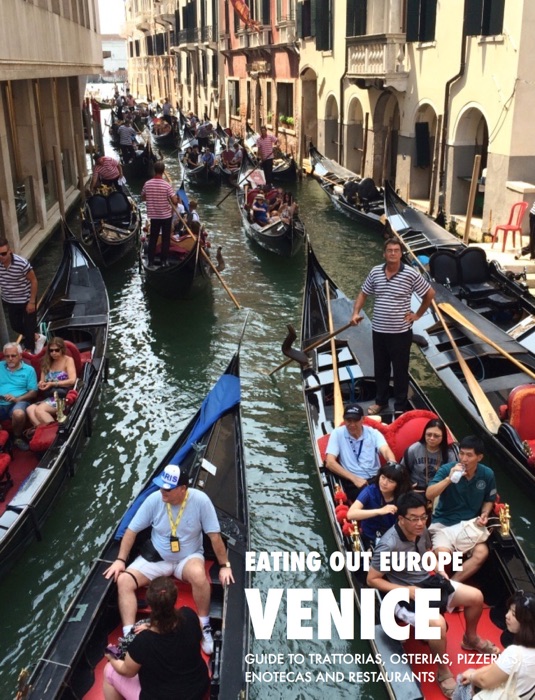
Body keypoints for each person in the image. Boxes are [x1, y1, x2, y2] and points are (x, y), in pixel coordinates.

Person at [367, 492, 499, 698]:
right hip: (402, 594)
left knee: (475, 597)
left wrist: (438, 569)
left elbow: (427, 551)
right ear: (401, 519)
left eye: (423, 517)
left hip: (427, 582)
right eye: (414, 518)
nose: (420, 523)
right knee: (436, 624)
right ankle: (442, 670)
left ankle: (470, 638)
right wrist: (408, 591)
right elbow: (372, 579)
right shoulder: (388, 545)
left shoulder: (421, 531)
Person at [104, 465, 234, 656]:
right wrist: (120, 560)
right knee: (123, 580)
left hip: (187, 558)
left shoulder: (201, 501)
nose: (162, 492)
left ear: (183, 489)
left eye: (168, 489)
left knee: (199, 576)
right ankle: (129, 636)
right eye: (161, 487)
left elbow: (214, 537)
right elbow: (132, 531)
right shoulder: (155, 499)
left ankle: (204, 626)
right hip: (158, 557)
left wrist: (224, 566)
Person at [351, 237, 435, 415]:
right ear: (384, 253)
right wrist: (356, 313)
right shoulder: (375, 272)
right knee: (380, 369)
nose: (393, 253)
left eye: (396, 250)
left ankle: (400, 405)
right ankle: (380, 402)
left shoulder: (410, 273)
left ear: (400, 253)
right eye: (390, 250)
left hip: (400, 332)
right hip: (379, 331)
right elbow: (363, 293)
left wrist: (417, 315)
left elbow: (429, 293)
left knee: (400, 370)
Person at [103, 576, 210, 700]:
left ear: (149, 603)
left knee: (109, 670)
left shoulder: (142, 641)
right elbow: (196, 632)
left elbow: (127, 671)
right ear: (174, 598)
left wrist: (111, 656)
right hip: (198, 689)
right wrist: (152, 626)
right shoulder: (190, 616)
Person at [425, 435, 497, 583]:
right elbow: (429, 493)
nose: (464, 459)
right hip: (443, 523)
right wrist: (449, 479)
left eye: (469, 455)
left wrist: (484, 514)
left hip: (469, 525)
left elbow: (489, 500)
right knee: (444, 556)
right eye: (462, 453)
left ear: (479, 457)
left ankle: (452, 585)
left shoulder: (487, 474)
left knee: (482, 552)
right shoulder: (447, 469)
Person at [459, 590, 535, 698]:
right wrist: (476, 673)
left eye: (513, 614)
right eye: (509, 610)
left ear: (526, 622)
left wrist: (471, 676)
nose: (507, 616)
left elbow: (484, 681)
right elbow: (502, 667)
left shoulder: (515, 653)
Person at [325, 403, 396, 501]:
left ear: (363, 420)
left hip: (377, 479)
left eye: (356, 420)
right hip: (353, 483)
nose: (352, 424)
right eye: (348, 421)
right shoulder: (337, 434)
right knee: (375, 498)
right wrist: (354, 479)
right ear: (344, 420)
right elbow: (330, 462)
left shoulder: (373, 433)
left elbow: (385, 450)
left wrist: (392, 464)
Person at [346, 460, 411, 550]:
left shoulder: (404, 497)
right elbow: (351, 514)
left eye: (390, 481)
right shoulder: (370, 491)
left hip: (394, 540)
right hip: (369, 537)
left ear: (398, 485)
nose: (384, 483)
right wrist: (380, 511)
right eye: (383, 477)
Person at [0, 238, 45, 354]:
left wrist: (32, 302)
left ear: (10, 251)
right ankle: (37, 338)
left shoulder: (22, 263)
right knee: (15, 326)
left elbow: (34, 281)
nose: (1, 257)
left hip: (26, 299)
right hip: (10, 300)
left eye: (3, 254)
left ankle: (30, 351)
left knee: (29, 326)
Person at [26, 337, 76, 427]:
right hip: (50, 396)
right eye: (51, 351)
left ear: (62, 349)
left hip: (63, 397)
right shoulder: (46, 362)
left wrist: (53, 383)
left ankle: (55, 431)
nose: (54, 353)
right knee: (30, 409)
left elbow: (72, 380)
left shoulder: (68, 360)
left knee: (39, 410)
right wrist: (41, 384)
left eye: (57, 350)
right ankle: (43, 432)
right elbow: (42, 381)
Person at [0, 342, 38, 450]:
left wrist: (17, 399)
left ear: (20, 356)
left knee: (18, 414)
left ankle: (17, 437)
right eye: (7, 356)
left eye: (13, 356)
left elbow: (33, 392)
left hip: (19, 402)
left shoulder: (29, 370)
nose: (10, 359)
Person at [402, 418, 457, 491]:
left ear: (443, 437)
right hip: (415, 489)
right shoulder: (413, 449)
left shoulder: (449, 454)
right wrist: (408, 487)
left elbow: (451, 477)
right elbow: (402, 472)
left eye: (436, 436)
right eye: (428, 434)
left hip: (438, 491)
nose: (431, 438)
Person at [140, 161, 178, 268]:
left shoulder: (147, 184)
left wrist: (153, 198)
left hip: (154, 216)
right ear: (163, 171)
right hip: (166, 216)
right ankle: (164, 261)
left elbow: (143, 197)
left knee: (153, 238)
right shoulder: (167, 185)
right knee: (166, 239)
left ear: (154, 170)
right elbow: (175, 201)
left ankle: (151, 261)